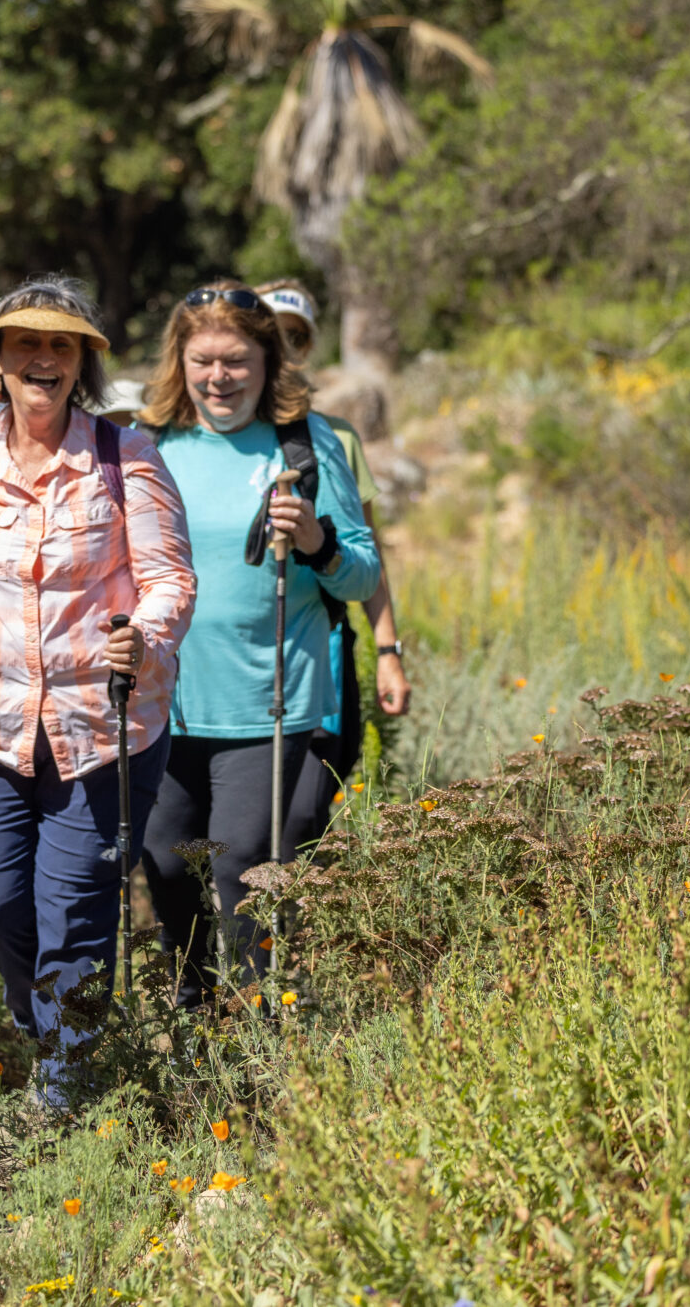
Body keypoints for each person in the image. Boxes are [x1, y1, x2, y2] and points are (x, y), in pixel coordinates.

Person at [0, 278, 195, 1091]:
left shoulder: (126, 458)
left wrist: (142, 637)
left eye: (62, 345)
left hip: (102, 727)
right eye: (26, 343)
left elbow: (171, 581)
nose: (43, 359)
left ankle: (68, 1098)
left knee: (74, 918)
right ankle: (50, 1027)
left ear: (82, 364)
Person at [137, 282, 379, 1006]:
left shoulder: (306, 445)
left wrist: (314, 537)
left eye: (237, 361)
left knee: (242, 870)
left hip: (271, 707)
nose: (219, 378)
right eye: (203, 360)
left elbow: (363, 574)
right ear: (178, 363)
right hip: (167, 707)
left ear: (268, 363)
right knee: (169, 869)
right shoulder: (147, 447)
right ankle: (193, 1022)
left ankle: (254, 1041)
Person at [253, 279, 411, 837]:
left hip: (319, 656)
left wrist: (388, 652)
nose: (283, 346)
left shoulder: (334, 438)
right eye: (270, 331)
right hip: (234, 670)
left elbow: (367, 552)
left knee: (300, 818)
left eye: (296, 337)